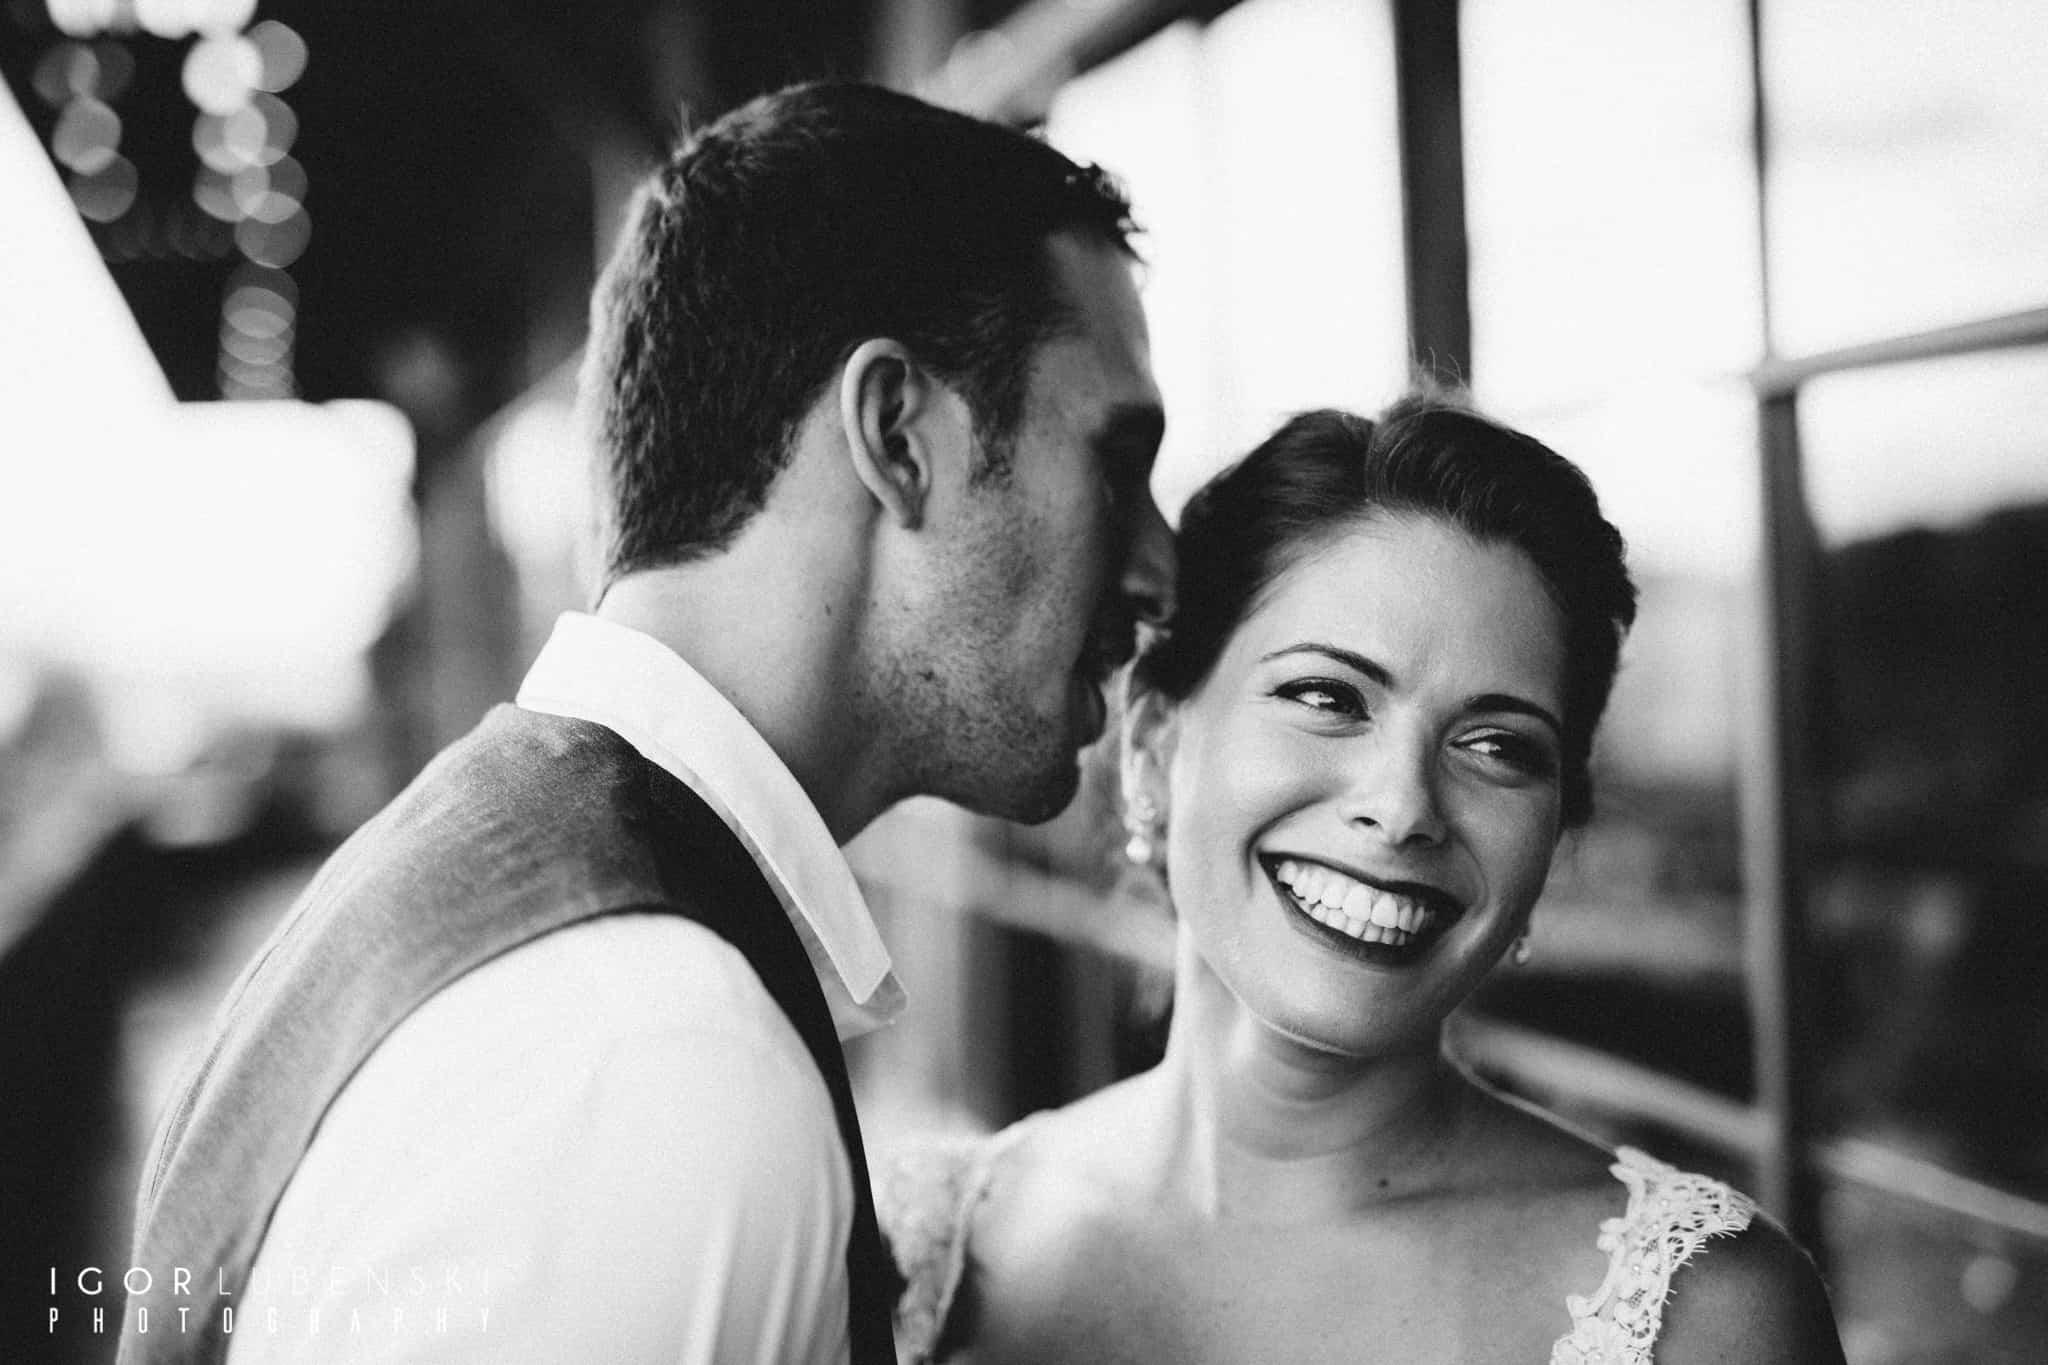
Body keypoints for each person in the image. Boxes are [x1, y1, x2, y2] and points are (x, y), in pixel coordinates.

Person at [120, 81, 1172, 1365]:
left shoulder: (502, 897)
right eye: (1115, 464)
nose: (1158, 570)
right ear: (897, 435)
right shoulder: (659, 1060)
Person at [880, 397, 1848, 1364]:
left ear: (1553, 839)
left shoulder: (1707, 1320)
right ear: (1151, 746)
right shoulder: (933, 1246)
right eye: (1327, 696)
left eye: (1497, 746)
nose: (1403, 806)